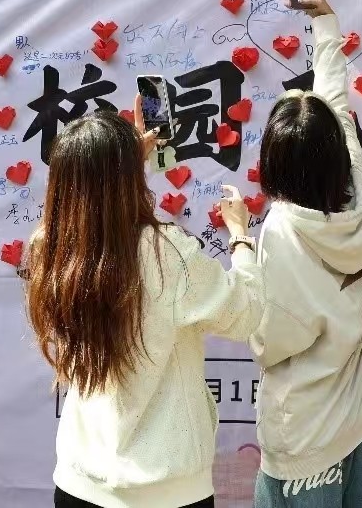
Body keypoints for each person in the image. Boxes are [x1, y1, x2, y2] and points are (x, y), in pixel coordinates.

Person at [25, 102, 264, 508]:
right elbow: (246, 313)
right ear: (126, 178)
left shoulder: (51, 246)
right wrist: (241, 238)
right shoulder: (164, 252)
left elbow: (101, 211)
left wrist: (126, 160)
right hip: (166, 490)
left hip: (80, 481)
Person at [250, 0, 362, 508]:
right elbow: (337, 105)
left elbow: (270, 341)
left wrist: (239, 242)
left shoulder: (281, 229)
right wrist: (326, 24)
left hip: (306, 434)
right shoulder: (361, 184)